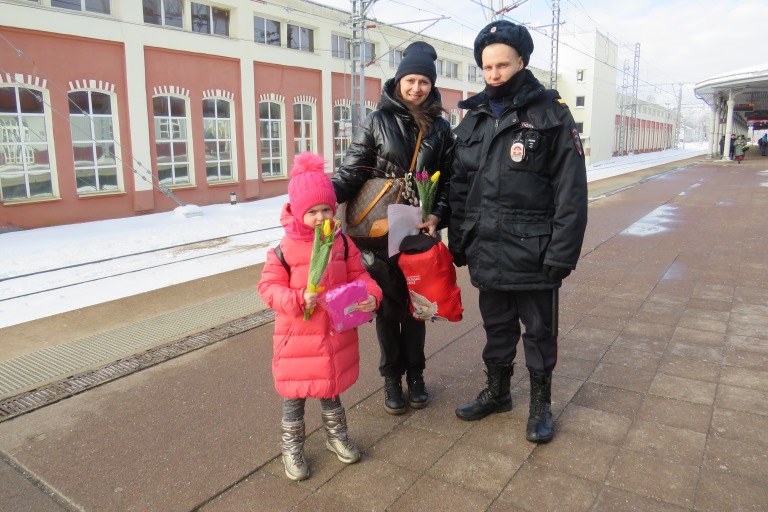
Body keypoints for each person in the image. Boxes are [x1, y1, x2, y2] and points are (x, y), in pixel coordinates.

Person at [448, 20, 588, 444]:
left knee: (540, 333)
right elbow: (459, 185)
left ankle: (541, 405)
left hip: (534, 252)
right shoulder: (474, 118)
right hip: (487, 247)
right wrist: (459, 240)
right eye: (487, 67)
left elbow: (571, 191)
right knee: (497, 327)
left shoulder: (550, 114)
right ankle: (498, 392)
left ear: (522, 62)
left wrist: (562, 253)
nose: (494, 74)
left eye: (502, 65)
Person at [332, 41, 455, 415]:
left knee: (417, 307)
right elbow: (352, 171)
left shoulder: (441, 129)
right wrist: (319, 198)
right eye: (410, 80)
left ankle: (416, 375)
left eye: (423, 82)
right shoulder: (377, 121)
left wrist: (438, 215)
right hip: (378, 232)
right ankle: (391, 379)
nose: (416, 88)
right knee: (387, 309)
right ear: (399, 81)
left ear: (431, 85)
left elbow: (451, 182)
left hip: (418, 233)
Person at [258, 152, 382, 481]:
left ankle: (336, 436)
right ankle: (292, 448)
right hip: (296, 339)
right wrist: (297, 299)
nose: (320, 216)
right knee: (294, 397)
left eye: (326, 209)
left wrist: (371, 295)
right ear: (298, 212)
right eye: (312, 211)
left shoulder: (342, 243)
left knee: (330, 388)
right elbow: (268, 288)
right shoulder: (283, 250)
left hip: (332, 335)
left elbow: (360, 276)